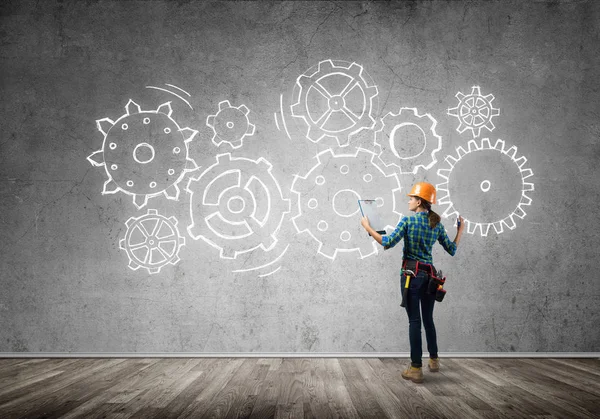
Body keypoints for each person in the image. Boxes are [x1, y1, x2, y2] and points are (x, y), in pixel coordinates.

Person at [360, 182, 465, 383]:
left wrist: (368, 227)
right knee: (428, 320)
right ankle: (434, 360)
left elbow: (387, 242)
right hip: (431, 278)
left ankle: (416, 368)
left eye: (411, 198)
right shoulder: (437, 224)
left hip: (411, 276)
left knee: (414, 321)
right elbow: (452, 249)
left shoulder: (407, 221)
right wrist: (460, 230)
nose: (409, 201)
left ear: (419, 201)